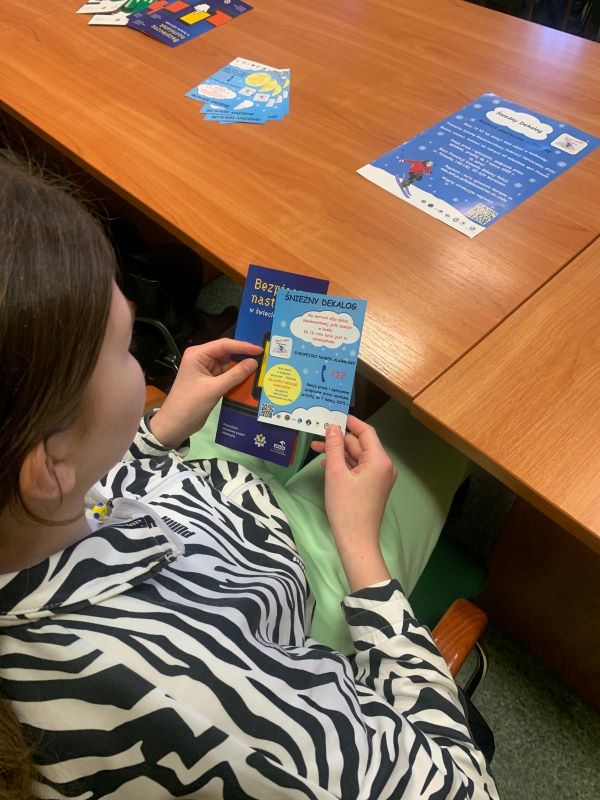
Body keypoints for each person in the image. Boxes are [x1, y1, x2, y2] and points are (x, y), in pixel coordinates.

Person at [0, 156, 498, 799]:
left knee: (290, 334)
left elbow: (88, 500)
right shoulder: (202, 704)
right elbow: (461, 788)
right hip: (306, 582)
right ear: (48, 462)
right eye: (124, 349)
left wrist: (155, 434)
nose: (143, 361)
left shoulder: (30, 508)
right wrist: (363, 554)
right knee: (449, 400)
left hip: (189, 490)